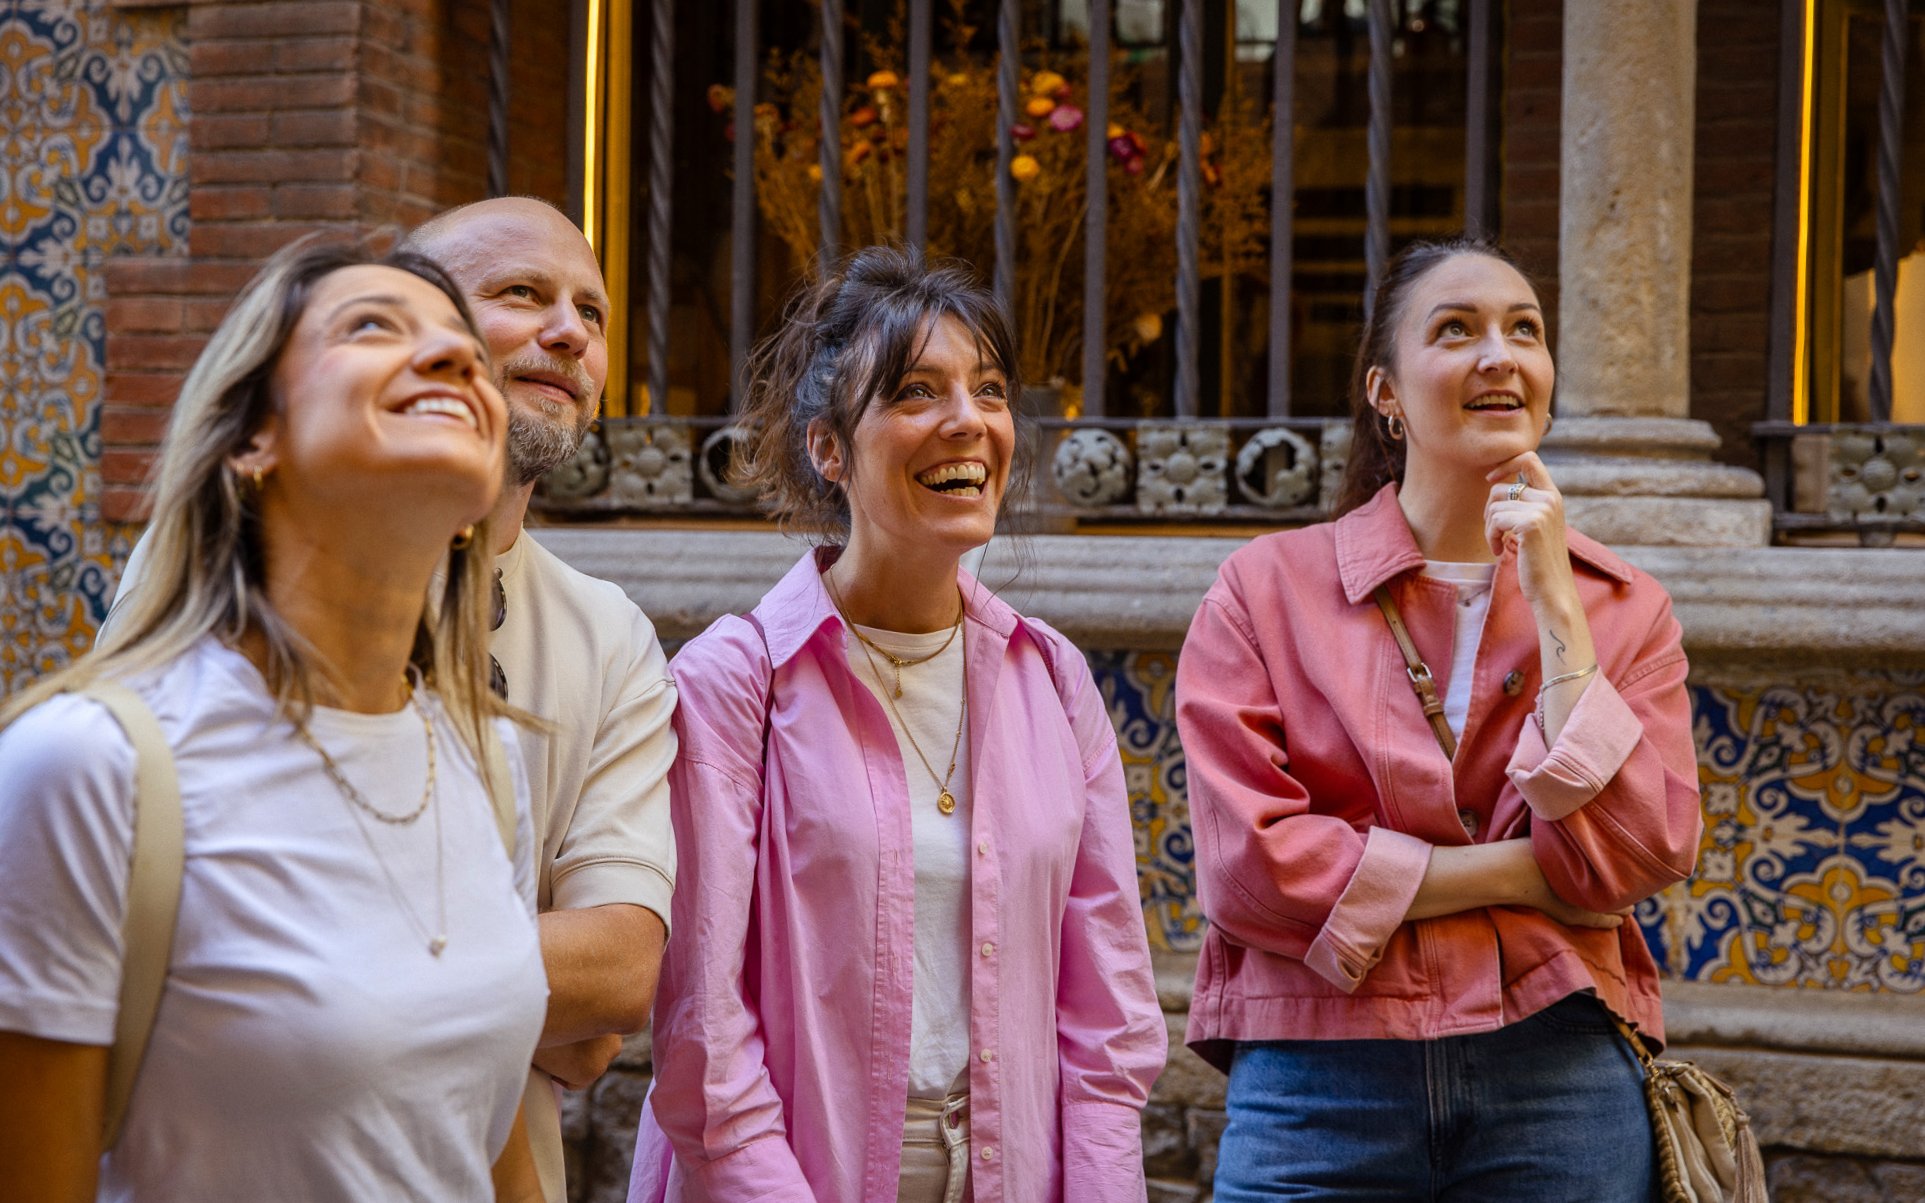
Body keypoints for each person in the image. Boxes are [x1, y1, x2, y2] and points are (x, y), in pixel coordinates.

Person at [109, 197, 678, 1203]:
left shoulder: (564, 679)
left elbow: (621, 972)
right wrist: (503, 996)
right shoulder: (185, 607)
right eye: (520, 295)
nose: (571, 332)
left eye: (590, 311)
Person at [0, 241, 547, 1200]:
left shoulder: (487, 761)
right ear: (254, 438)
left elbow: (491, 1164)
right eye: (373, 325)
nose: (461, 358)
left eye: (464, 343)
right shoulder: (92, 765)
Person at [628, 247, 1165, 1202]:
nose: (969, 420)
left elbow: (1109, 1016)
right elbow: (703, 1036)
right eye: (918, 390)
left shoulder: (1052, 678)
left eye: (989, 389)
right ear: (828, 449)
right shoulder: (734, 684)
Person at [1176, 237, 1702, 1201]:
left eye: (1524, 331)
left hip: (1559, 1070)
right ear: (1385, 390)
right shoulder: (1263, 590)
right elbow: (1249, 873)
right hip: (1317, 1070)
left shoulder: (1625, 607)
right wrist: (1532, 875)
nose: (1498, 355)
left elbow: (1643, 853)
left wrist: (1556, 604)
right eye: (1455, 330)